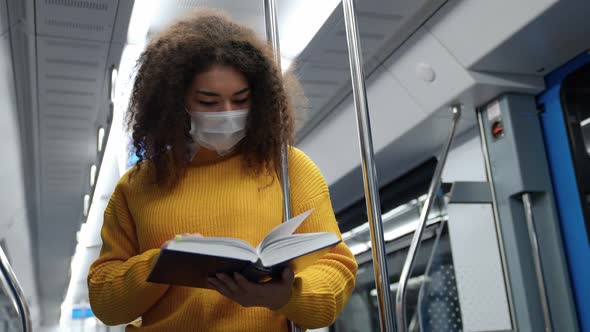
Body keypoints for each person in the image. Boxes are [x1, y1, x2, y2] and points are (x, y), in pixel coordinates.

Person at [87, 9, 358, 332]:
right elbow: (105, 302)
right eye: (209, 102)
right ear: (176, 102)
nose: (228, 114)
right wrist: (160, 264)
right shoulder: (138, 185)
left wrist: (285, 296)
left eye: (240, 99)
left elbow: (335, 269)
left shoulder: (287, 169)